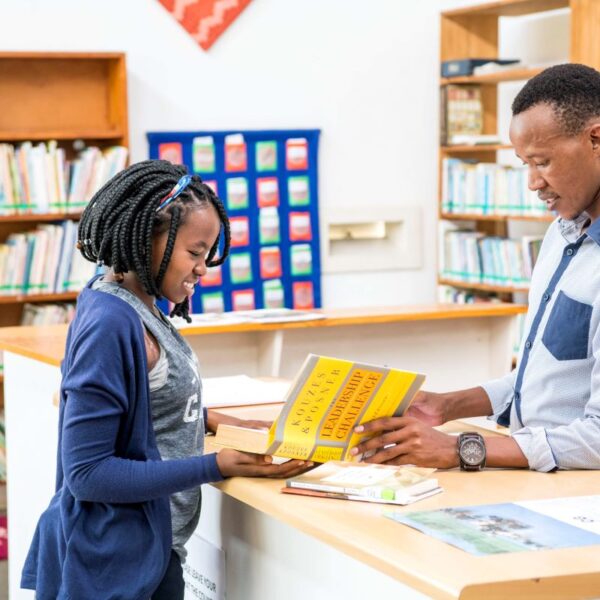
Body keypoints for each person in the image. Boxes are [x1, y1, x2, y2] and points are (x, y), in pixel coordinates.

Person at [21, 160, 309, 600]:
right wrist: (215, 465)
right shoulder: (111, 323)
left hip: (149, 553)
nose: (203, 269)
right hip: (112, 566)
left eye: (207, 256)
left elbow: (141, 404)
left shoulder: (135, 300)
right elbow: (88, 473)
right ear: (147, 237)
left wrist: (213, 422)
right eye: (194, 253)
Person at [352, 63, 600, 472]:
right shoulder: (561, 235)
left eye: (543, 162)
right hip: (540, 483)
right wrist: (448, 405)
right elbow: (545, 379)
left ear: (595, 139)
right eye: (525, 164)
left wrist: (461, 448)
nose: (533, 183)